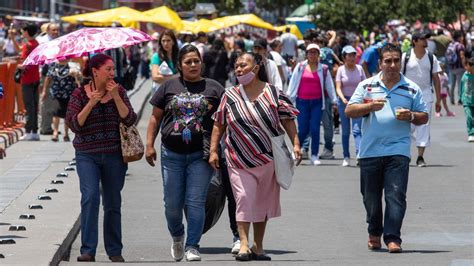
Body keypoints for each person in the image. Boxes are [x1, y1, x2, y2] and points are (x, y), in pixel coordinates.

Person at [208, 52, 301, 261]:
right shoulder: (229, 95)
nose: (239, 69)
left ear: (256, 67)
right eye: (237, 66)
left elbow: (287, 120)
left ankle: (258, 246)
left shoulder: (274, 94)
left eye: (243, 65)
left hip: (267, 159)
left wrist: (296, 142)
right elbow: (218, 124)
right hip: (237, 159)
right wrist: (214, 150)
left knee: (262, 202)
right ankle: (243, 243)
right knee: (243, 199)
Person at [345, 43, 429, 253]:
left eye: (396, 60)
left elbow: (424, 116)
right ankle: (374, 231)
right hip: (370, 151)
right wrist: (369, 106)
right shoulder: (367, 86)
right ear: (380, 63)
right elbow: (349, 110)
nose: (392, 65)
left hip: (398, 151)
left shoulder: (411, 87)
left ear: (401, 62)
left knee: (395, 195)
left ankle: (393, 237)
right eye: (388, 61)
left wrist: (410, 115)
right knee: (370, 197)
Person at [145, 45, 224, 262]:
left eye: (196, 61)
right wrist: (149, 145)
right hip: (171, 155)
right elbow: (154, 118)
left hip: (201, 155)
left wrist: (216, 149)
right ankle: (177, 235)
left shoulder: (215, 88)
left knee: (195, 201)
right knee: (172, 203)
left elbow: (222, 122)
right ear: (179, 64)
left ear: (202, 63)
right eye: (188, 62)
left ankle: (192, 245)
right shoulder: (168, 86)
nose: (193, 65)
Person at [66, 54, 137, 262]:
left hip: (115, 154)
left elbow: (130, 119)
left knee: (113, 202)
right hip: (87, 154)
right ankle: (88, 249)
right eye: (108, 69)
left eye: (113, 69)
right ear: (95, 71)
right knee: (90, 198)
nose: (112, 73)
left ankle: (114, 250)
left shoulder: (120, 91)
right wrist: (91, 103)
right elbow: (74, 125)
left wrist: (115, 96)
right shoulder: (79, 94)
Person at [287, 43, 337, 165]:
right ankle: (296, 150)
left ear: (319, 55)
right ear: (306, 54)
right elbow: (292, 84)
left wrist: (334, 101)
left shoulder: (323, 68)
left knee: (315, 129)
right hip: (302, 102)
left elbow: (329, 86)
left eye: (315, 52)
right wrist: (287, 100)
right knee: (303, 129)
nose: (312, 55)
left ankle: (314, 155)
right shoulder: (300, 67)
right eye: (310, 52)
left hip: (317, 102)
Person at [401, 30, 442, 167]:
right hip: (407, 95)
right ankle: (404, 154)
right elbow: (398, 76)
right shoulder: (405, 57)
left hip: (426, 95)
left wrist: (439, 99)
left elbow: (436, 79)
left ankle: (420, 157)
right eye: (423, 39)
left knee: (424, 126)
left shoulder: (431, 58)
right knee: (406, 126)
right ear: (415, 41)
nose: (426, 41)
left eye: (427, 39)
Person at [335, 45, 366, 166]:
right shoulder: (341, 70)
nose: (352, 58)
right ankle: (346, 156)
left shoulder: (359, 69)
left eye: (354, 55)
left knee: (357, 129)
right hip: (344, 101)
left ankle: (359, 154)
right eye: (349, 55)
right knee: (346, 131)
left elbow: (365, 84)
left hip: (357, 101)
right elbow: (338, 87)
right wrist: (342, 98)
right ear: (344, 57)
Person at [13, 24, 41, 141]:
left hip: (27, 79)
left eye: (23, 31)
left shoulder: (27, 46)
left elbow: (24, 63)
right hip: (36, 77)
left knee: (28, 106)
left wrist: (18, 66)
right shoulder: (36, 44)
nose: (22, 33)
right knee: (34, 105)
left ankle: (28, 131)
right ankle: (34, 131)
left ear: (26, 32)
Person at [41, 61, 81, 142]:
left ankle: (66, 134)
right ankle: (55, 132)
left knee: (66, 114)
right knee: (56, 113)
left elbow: (78, 81)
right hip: (56, 93)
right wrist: (44, 91)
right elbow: (48, 78)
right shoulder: (53, 65)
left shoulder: (72, 65)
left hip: (68, 93)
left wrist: (75, 75)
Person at [447, 31, 466, 105]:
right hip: (459, 67)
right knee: (460, 84)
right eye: (461, 36)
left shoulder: (450, 44)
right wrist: (464, 66)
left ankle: (452, 99)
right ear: (459, 37)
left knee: (452, 84)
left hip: (451, 67)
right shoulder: (460, 46)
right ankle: (460, 100)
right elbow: (461, 56)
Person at [460, 57, 474, 142]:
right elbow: (461, 86)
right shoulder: (465, 75)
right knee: (469, 117)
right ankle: (471, 133)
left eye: (469, 66)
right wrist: (460, 97)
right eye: (467, 66)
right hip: (467, 101)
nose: (467, 68)